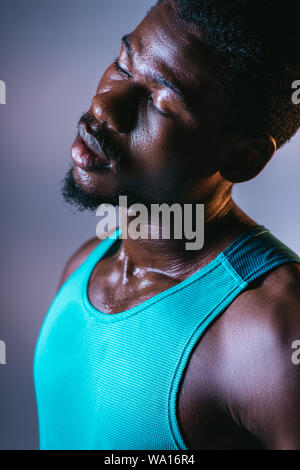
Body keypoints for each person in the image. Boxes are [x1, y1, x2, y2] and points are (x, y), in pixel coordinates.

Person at [34, 0, 300, 450]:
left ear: (242, 158)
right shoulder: (84, 267)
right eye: (122, 64)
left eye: (160, 102)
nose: (104, 107)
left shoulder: (274, 332)